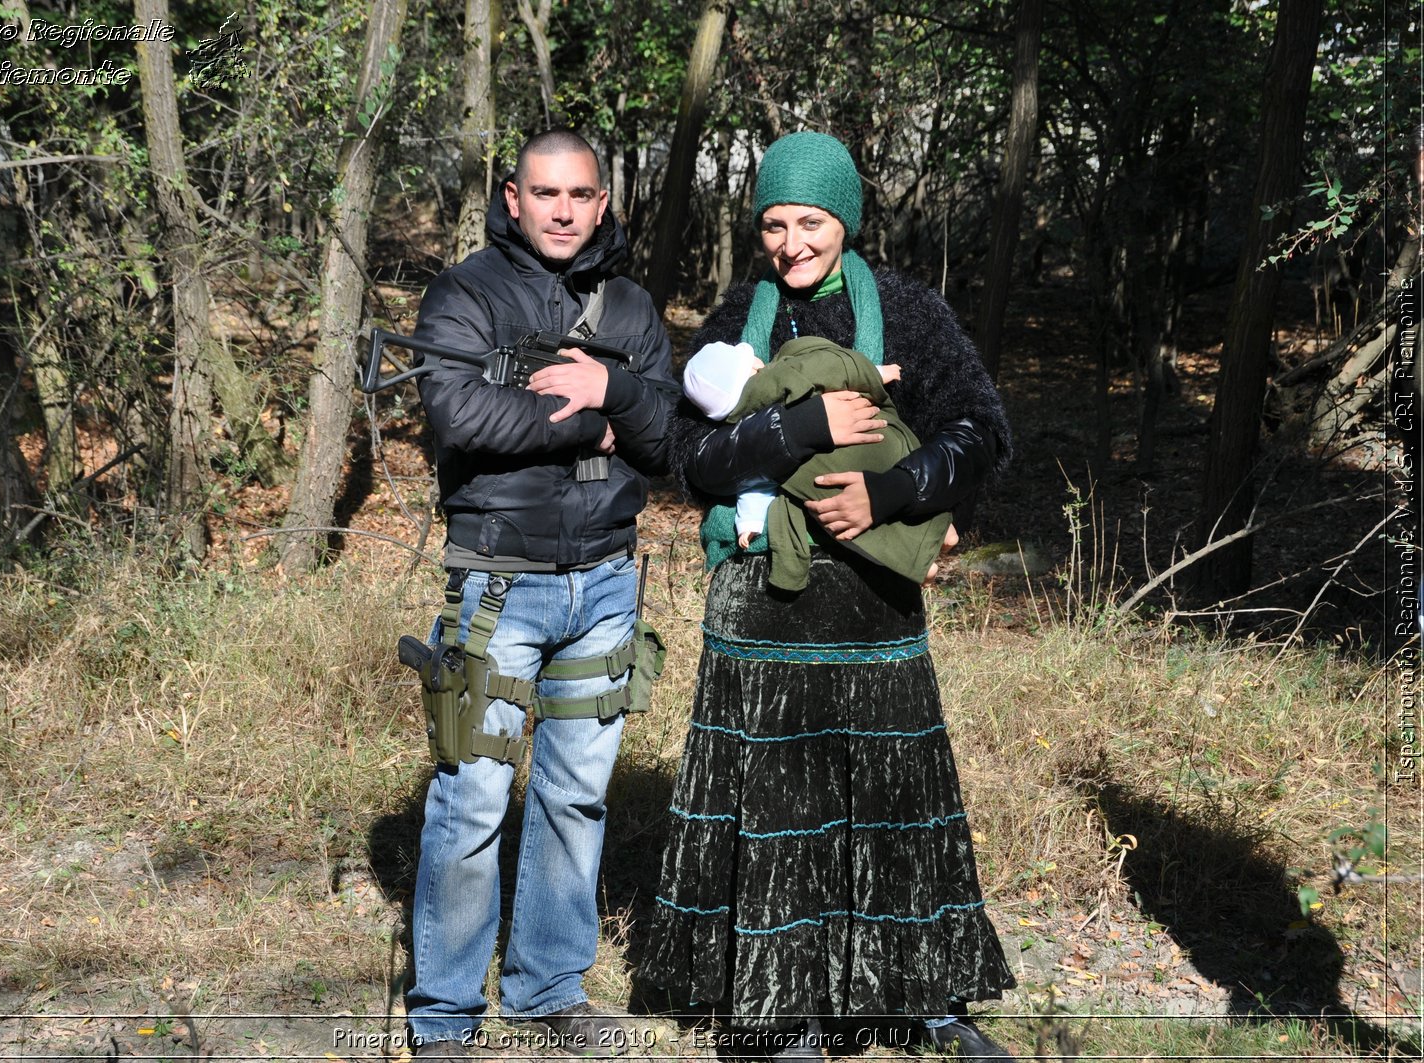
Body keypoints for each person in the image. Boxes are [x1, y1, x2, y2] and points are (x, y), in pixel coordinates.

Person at [639, 131, 1018, 1060]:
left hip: (875, 607)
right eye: (773, 222)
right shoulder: (738, 315)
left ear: (844, 220)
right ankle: (780, 1015)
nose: (792, 242)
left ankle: (923, 1000)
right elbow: (690, 459)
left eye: (810, 221)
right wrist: (796, 425)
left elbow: (985, 428)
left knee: (894, 800)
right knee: (778, 810)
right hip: (761, 608)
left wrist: (891, 492)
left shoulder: (910, 313)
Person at [405, 129, 676, 1059]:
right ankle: (443, 1015)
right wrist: (600, 411)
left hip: (607, 583)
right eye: (544, 192)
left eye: (580, 194)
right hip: (498, 583)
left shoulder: (632, 306)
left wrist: (619, 395)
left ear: (604, 203)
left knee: (575, 796)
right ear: (512, 197)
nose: (563, 209)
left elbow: (669, 437)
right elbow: (459, 413)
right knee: (473, 796)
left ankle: (547, 989)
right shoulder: (466, 292)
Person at [680, 337, 956, 587]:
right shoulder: (775, 376)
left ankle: (920, 563)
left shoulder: (740, 420)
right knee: (880, 472)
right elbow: (825, 368)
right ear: (751, 368)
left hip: (816, 481)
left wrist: (749, 520)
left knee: (852, 523)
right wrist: (874, 373)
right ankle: (942, 534)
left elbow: (755, 484)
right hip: (867, 445)